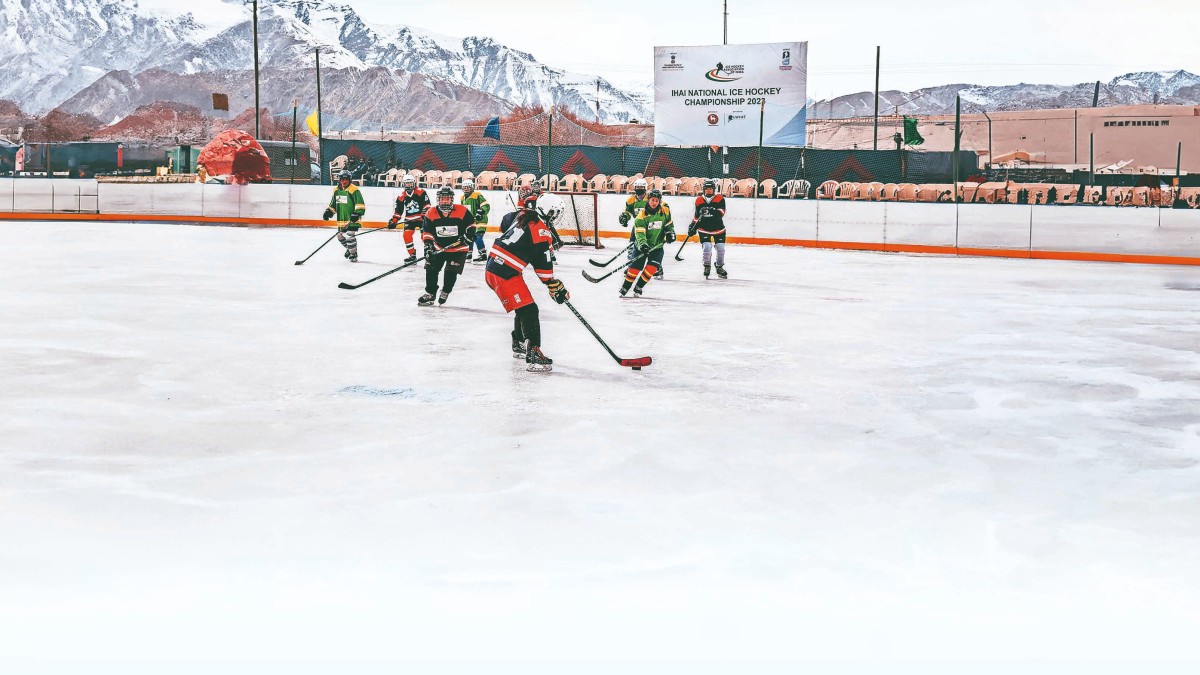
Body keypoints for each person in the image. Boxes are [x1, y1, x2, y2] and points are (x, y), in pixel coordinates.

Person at [485, 194, 569, 372]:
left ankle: (519, 343)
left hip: (494, 265)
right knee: (530, 309)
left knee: (522, 305)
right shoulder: (542, 231)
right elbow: (543, 268)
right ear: (551, 212)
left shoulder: (523, 215)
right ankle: (534, 353)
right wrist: (553, 284)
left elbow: (504, 223)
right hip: (505, 273)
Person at [418, 186, 475, 306]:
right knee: (431, 269)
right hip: (438, 247)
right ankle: (430, 293)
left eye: (447, 199)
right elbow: (427, 232)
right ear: (438, 199)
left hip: (458, 249)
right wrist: (428, 247)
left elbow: (471, 225)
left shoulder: (462, 210)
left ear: (452, 199)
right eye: (442, 199)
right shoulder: (431, 212)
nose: (445, 201)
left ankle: (445, 291)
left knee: (450, 272)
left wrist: (468, 236)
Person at [621, 189, 674, 297]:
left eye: (656, 200)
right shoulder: (641, 217)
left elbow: (669, 224)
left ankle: (639, 287)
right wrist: (643, 246)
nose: (654, 202)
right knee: (634, 269)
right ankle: (625, 287)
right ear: (648, 200)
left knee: (652, 268)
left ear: (659, 201)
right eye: (652, 200)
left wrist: (670, 232)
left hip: (657, 247)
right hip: (642, 247)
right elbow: (640, 235)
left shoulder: (665, 211)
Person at [322, 169, 366, 262]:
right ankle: (350, 249)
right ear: (340, 180)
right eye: (342, 179)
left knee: (350, 236)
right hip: (341, 219)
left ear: (350, 180)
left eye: (346, 179)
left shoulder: (354, 189)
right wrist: (328, 212)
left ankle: (353, 254)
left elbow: (360, 204)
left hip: (352, 219)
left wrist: (357, 213)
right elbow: (333, 204)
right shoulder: (336, 190)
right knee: (339, 236)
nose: (344, 181)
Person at [689, 178, 728, 279]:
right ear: (703, 190)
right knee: (706, 247)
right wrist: (692, 227)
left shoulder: (720, 198)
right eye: (706, 189)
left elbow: (721, 213)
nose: (708, 191)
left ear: (714, 189)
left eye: (710, 189)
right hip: (703, 228)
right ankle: (707, 266)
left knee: (721, 249)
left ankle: (719, 266)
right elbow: (697, 217)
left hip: (718, 228)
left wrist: (711, 210)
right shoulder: (699, 200)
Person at [387, 174, 430, 263]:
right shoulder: (401, 196)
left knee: (425, 237)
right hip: (409, 219)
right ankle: (412, 255)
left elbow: (427, 205)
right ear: (403, 184)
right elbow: (398, 211)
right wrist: (394, 221)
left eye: (410, 183)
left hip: (422, 219)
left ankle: (429, 252)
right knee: (406, 235)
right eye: (407, 183)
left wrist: (424, 212)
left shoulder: (421, 192)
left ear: (414, 183)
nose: (408, 185)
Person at [619, 177, 650, 265]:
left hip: (650, 226)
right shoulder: (631, 200)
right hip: (638, 225)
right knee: (632, 244)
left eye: (641, 187)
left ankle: (656, 268)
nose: (639, 189)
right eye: (637, 187)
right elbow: (628, 212)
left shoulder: (650, 198)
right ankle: (631, 264)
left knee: (650, 248)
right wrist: (625, 217)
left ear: (645, 188)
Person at [459, 178, 491, 262]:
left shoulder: (477, 195)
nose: (466, 189)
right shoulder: (462, 198)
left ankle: (483, 255)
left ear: (472, 187)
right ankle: (469, 254)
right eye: (464, 187)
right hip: (470, 221)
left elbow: (486, 205)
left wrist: (481, 211)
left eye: (468, 187)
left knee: (477, 236)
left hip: (480, 220)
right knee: (469, 236)